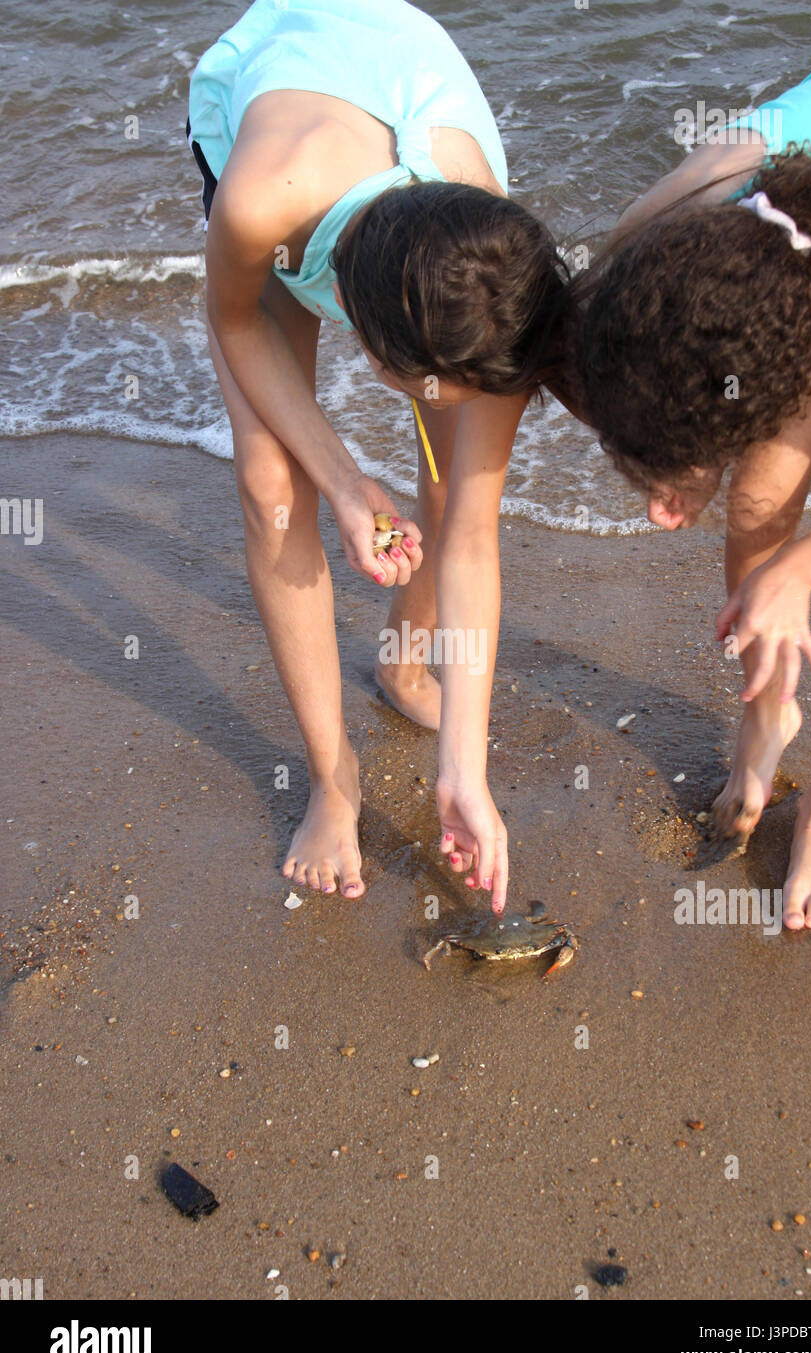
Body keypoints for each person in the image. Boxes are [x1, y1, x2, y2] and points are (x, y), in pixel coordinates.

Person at [187, 0, 570, 906]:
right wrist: (346, 481)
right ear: (374, 355)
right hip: (287, 99)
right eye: (431, 388)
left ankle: (404, 663)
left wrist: (463, 771)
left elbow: (474, 538)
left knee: (452, 484)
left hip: (402, 97)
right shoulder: (261, 199)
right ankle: (331, 776)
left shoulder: (495, 282)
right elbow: (233, 317)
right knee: (271, 480)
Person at [567, 57, 811, 929]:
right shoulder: (684, 223)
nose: (662, 511)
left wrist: (810, 560)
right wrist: (684, 463)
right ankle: (768, 714)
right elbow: (633, 314)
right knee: (762, 498)